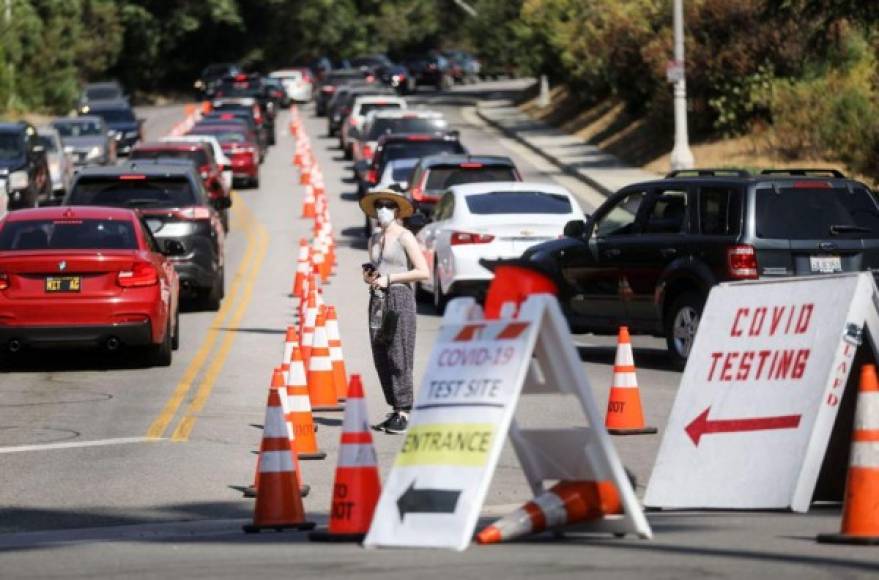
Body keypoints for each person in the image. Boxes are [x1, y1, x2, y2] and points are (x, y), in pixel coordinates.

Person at [359, 188, 429, 434]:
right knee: (381, 353)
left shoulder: (405, 236)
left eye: (388, 205)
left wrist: (391, 278)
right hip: (378, 299)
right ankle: (395, 406)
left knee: (399, 353)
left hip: (399, 296)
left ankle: (405, 410)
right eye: (379, 205)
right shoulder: (374, 239)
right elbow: (377, 270)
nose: (383, 210)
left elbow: (423, 272)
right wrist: (371, 276)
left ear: (397, 210)